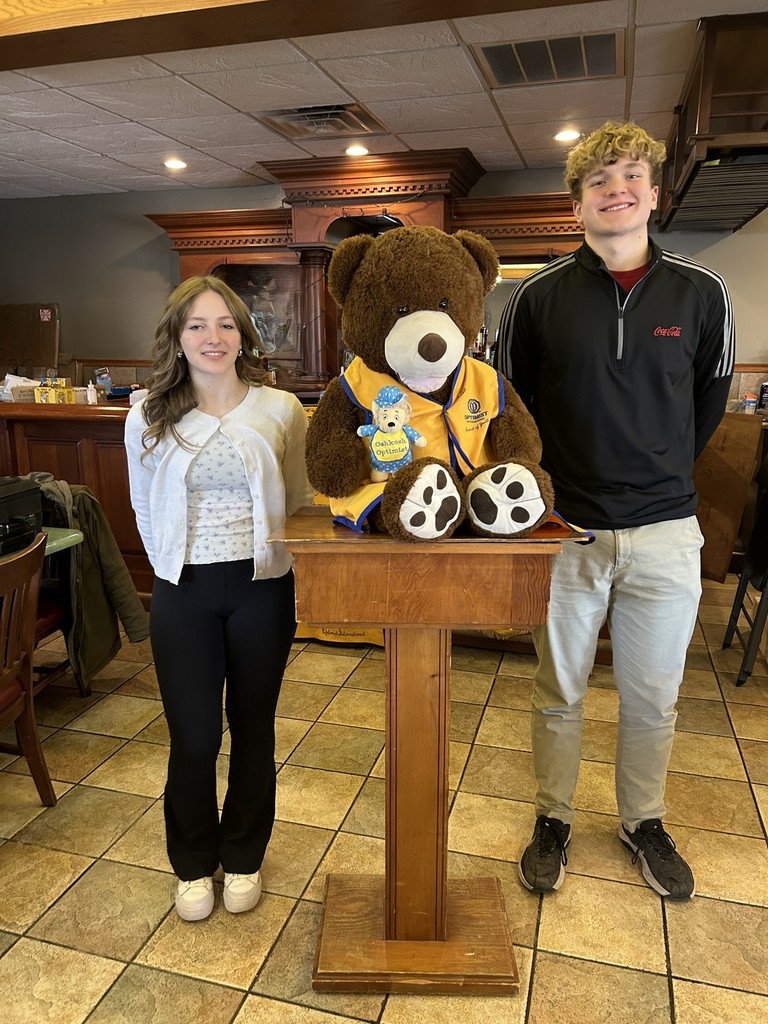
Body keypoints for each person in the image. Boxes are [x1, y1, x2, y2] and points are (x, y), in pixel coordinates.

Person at [495, 122, 734, 901]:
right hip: (566, 531)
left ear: (654, 194)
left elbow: (708, 400)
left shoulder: (701, 294)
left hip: (665, 532)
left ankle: (643, 822)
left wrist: (658, 467)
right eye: (598, 181)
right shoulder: (536, 298)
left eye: (631, 175)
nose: (616, 190)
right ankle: (553, 818)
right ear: (577, 206)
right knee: (558, 691)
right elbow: (512, 408)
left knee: (653, 696)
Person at [125, 275, 314, 921]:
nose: (214, 337)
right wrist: (169, 570)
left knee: (254, 730)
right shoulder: (149, 414)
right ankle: (191, 863)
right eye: (198, 325)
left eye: (226, 324)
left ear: (242, 335)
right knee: (195, 737)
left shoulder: (279, 409)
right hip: (184, 591)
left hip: (262, 588)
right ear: (178, 338)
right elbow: (143, 506)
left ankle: (243, 856)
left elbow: (298, 499)